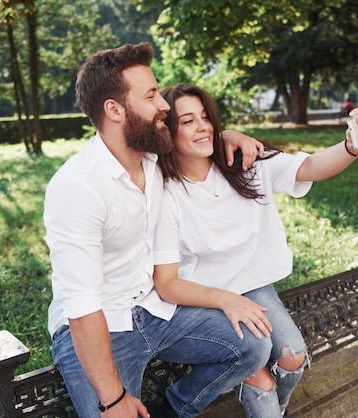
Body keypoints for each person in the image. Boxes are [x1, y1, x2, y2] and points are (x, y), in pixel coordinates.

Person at [44, 43, 272, 418]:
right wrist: (114, 400)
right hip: (101, 324)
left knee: (252, 346)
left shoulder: (153, 156)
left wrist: (228, 135)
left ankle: (170, 410)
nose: (164, 105)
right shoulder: (77, 187)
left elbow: (198, 139)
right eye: (151, 95)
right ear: (114, 110)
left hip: (156, 308)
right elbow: (82, 306)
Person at [152, 84, 358, 417]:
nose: (203, 127)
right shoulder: (165, 192)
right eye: (187, 121)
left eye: (205, 117)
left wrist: (350, 147)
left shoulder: (245, 161)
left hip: (250, 284)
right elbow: (168, 281)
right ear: (169, 131)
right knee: (261, 380)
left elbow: (309, 167)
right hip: (201, 296)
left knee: (293, 358)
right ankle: (254, 391)